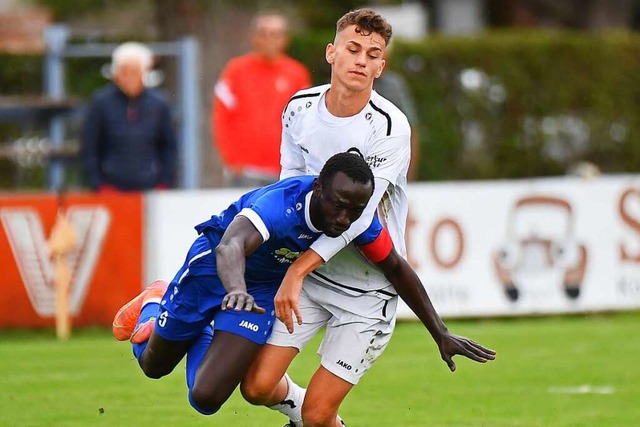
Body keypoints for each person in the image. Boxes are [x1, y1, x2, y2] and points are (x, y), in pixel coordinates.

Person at [239, 9, 496, 427]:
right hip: (314, 277)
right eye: (353, 48)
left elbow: (356, 219)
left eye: (372, 53)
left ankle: (315, 420)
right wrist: (283, 259)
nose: (361, 59)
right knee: (256, 386)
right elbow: (289, 187)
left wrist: (297, 270)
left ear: (381, 66)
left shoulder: (391, 127)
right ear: (331, 53)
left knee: (319, 414)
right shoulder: (299, 108)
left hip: (367, 289)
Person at [111, 153, 383, 416]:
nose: (345, 218)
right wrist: (237, 289)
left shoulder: (354, 217)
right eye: (339, 206)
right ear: (320, 188)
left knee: (205, 399)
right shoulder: (280, 205)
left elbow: (395, 265)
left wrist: (428, 326)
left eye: (355, 211)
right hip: (210, 271)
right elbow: (230, 246)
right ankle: (154, 301)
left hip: (259, 291)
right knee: (153, 365)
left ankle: (201, 325)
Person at [212, 12, 312, 186]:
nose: (269, 40)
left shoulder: (297, 74)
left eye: (275, 34)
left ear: (285, 39)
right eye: (263, 34)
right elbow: (221, 118)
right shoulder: (235, 71)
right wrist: (231, 159)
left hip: (284, 168)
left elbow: (306, 121)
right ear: (254, 38)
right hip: (245, 170)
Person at [82, 42, 177, 192]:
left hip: (150, 188)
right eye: (124, 71)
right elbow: (90, 147)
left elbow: (169, 147)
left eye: (135, 71)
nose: (129, 77)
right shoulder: (101, 103)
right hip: (111, 189)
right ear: (116, 74)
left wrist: (164, 183)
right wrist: (98, 184)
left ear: (144, 72)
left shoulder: (159, 104)